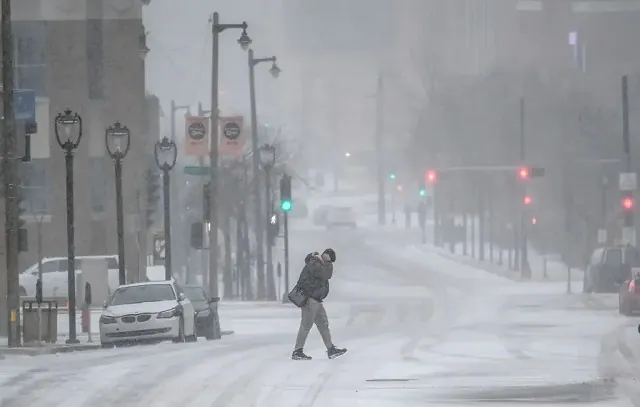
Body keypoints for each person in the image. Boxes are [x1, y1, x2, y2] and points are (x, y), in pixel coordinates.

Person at [291, 248, 346, 360]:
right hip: (310, 300)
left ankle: (331, 349)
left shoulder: (318, 264)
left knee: (323, 324)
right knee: (306, 325)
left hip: (317, 300)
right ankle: (297, 351)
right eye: (329, 261)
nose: (330, 264)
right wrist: (328, 264)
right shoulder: (315, 264)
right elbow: (327, 275)